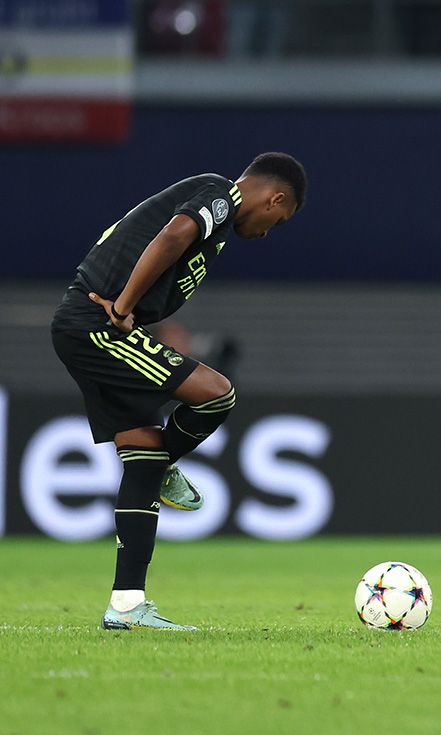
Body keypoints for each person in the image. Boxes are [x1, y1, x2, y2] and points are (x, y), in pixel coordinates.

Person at [50, 152, 307, 630]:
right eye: (280, 218)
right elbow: (174, 234)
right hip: (99, 325)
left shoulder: (219, 214)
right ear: (274, 198)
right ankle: (168, 465)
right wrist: (125, 307)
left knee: (143, 458)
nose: (271, 229)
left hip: (86, 324)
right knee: (217, 393)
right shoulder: (221, 195)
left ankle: (126, 606)